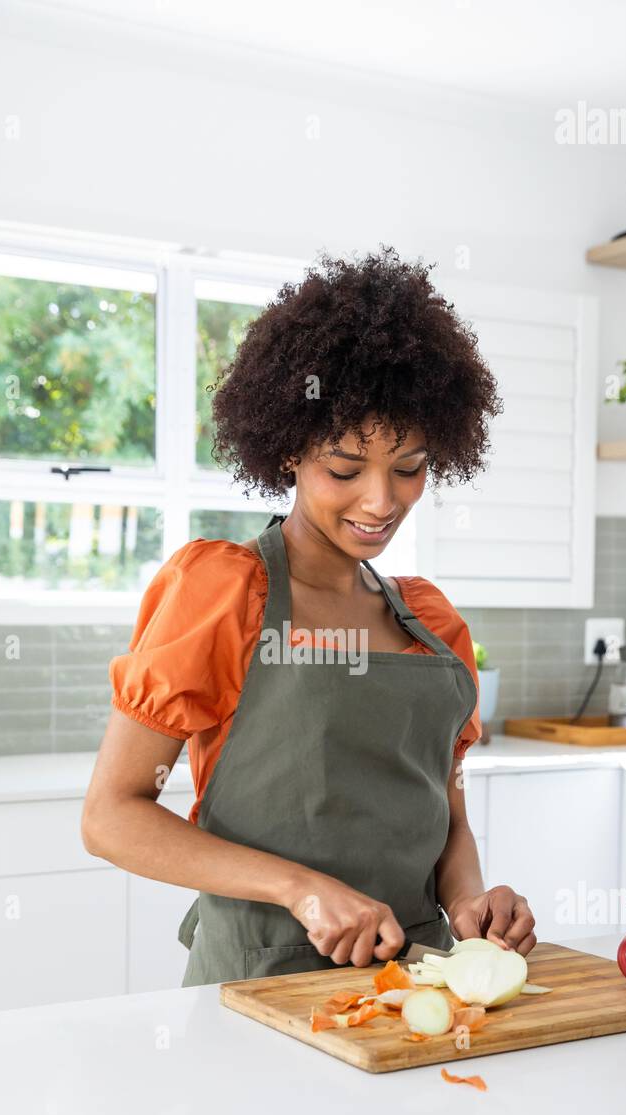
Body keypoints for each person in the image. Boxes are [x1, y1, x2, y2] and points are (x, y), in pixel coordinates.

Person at [82, 246, 536, 986]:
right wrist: (300, 888)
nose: (381, 502)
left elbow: (443, 809)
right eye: (345, 469)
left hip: (418, 984)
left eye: (410, 468)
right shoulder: (222, 593)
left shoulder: (432, 623)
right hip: (259, 984)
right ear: (289, 451)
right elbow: (111, 817)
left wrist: (470, 902)